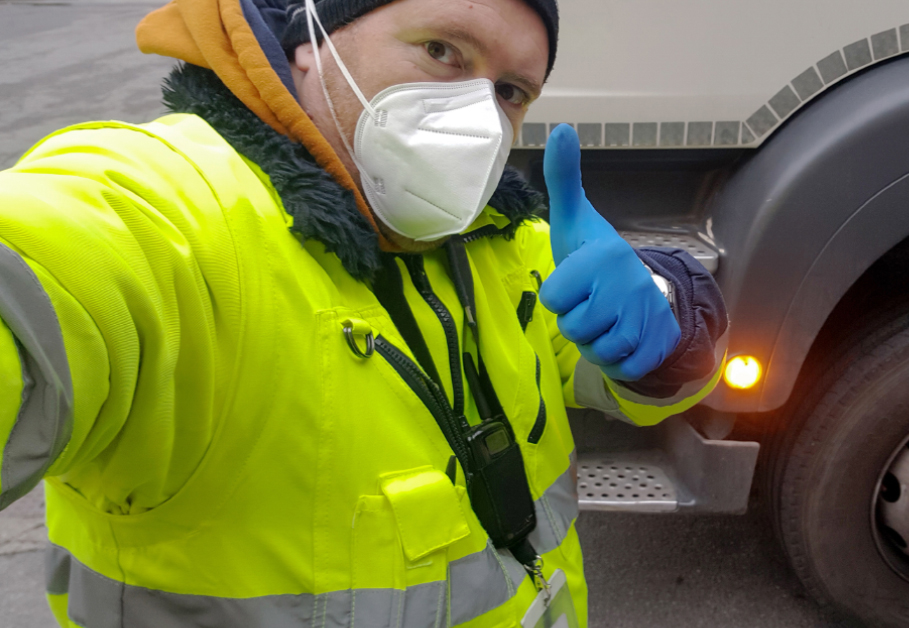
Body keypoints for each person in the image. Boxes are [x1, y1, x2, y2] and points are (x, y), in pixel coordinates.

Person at [0, 0, 728, 624]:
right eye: (442, 50)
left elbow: (650, 381)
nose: (477, 116)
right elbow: (51, 270)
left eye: (509, 90)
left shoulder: (502, 246)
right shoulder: (176, 216)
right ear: (310, 41)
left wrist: (668, 311)